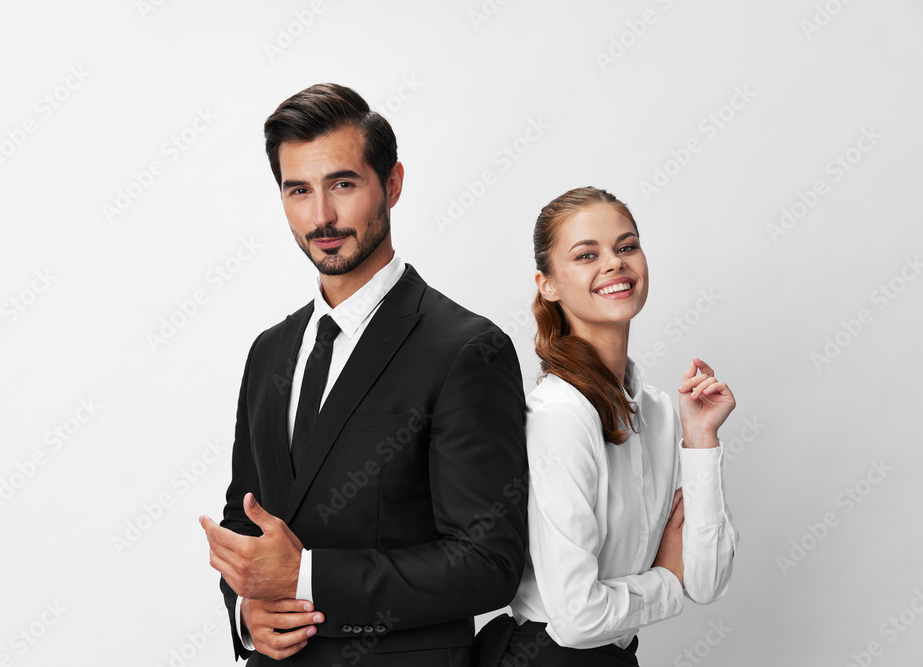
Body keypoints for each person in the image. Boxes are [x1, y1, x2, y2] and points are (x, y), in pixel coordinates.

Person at [198, 83, 528, 666]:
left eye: (342, 184)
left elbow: (488, 563)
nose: (321, 216)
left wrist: (306, 578)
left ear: (392, 184)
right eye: (298, 190)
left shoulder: (467, 350)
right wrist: (247, 614)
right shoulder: (269, 352)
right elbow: (244, 517)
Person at [473, 186, 738, 666]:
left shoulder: (658, 411)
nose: (614, 263)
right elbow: (578, 619)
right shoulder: (560, 414)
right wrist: (667, 577)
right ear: (548, 284)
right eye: (586, 254)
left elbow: (708, 581)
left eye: (626, 246)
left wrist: (701, 440)